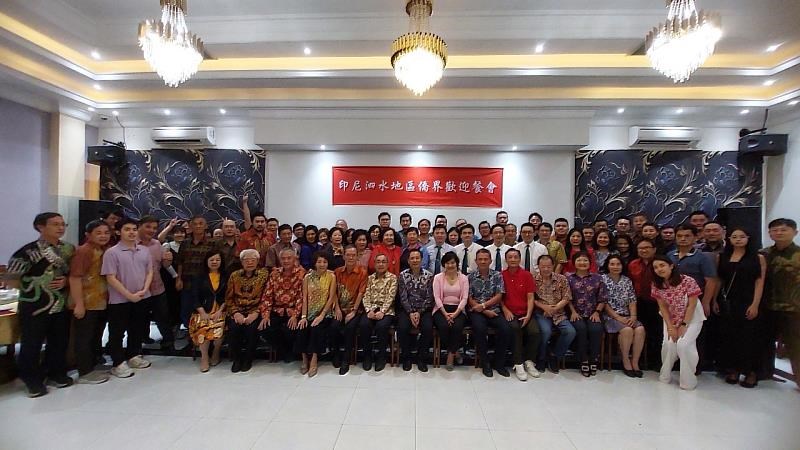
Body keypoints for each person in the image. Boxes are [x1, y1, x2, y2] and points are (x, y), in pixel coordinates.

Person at [6, 213, 75, 397]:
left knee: (59, 341)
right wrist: (37, 285)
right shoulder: (27, 252)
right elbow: (12, 280)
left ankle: (56, 373)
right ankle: (31, 379)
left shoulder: (68, 249)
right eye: (55, 224)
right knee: (32, 343)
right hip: (35, 305)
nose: (60, 228)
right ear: (40, 227)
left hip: (60, 303)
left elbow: (74, 274)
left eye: (62, 224)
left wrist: (66, 281)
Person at [102, 218, 154, 379]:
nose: (131, 232)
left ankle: (133, 355)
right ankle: (118, 362)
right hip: (120, 299)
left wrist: (144, 289)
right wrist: (129, 295)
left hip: (142, 296)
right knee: (117, 332)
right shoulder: (111, 252)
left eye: (133, 229)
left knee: (137, 328)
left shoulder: (144, 250)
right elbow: (110, 277)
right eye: (127, 229)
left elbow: (150, 272)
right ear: (118, 232)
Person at [716, 227, 766, 388]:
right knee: (730, 336)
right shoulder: (722, 256)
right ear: (729, 239)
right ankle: (734, 369)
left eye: (742, 236)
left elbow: (760, 282)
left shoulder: (758, 258)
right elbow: (719, 280)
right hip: (728, 301)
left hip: (748, 301)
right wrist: (713, 301)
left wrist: (755, 304)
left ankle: (751, 372)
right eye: (734, 237)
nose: (738, 239)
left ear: (748, 238)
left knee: (749, 337)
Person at [651, 255, 706, 390]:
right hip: (671, 318)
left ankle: (688, 380)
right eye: (656, 267)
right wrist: (670, 327)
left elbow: (692, 305)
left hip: (692, 318)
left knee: (683, 345)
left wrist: (683, 325)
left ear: (671, 266)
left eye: (662, 265)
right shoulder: (656, 284)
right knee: (668, 344)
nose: (659, 269)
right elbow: (662, 307)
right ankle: (665, 375)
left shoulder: (687, 280)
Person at [668, 224, 718, 372]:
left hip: (695, 302)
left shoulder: (702, 257)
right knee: (675, 333)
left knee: (694, 336)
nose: (683, 239)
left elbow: (711, 280)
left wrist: (706, 302)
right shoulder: (670, 256)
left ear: (695, 237)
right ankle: (676, 364)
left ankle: (695, 367)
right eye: (680, 236)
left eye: (687, 236)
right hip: (673, 302)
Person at [68, 219, 111, 385]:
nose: (103, 236)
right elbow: (75, 277)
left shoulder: (103, 250)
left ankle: (93, 364)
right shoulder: (84, 251)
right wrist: (79, 303)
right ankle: (84, 371)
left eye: (106, 233)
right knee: (83, 337)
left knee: (95, 334)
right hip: (86, 301)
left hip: (101, 300)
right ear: (88, 235)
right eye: (98, 233)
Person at [762, 218, 800, 387]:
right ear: (769, 233)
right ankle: (763, 373)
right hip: (766, 306)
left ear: (795, 232)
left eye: (783, 230)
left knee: (795, 345)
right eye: (775, 230)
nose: (779, 233)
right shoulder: (763, 254)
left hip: (793, 308)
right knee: (763, 342)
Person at [468, 249, 511, 377]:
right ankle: (485, 362)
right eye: (480, 259)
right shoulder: (470, 276)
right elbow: (469, 298)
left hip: (494, 310)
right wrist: (484, 310)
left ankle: (499, 363)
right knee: (480, 329)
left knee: (506, 329)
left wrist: (485, 306)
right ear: (476, 261)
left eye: (485, 259)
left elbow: (499, 295)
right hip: (476, 311)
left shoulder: (497, 275)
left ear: (490, 261)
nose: (483, 261)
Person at [602, 255, 645, 378]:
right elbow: (603, 302)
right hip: (610, 316)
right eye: (612, 264)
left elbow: (632, 300)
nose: (615, 267)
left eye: (618, 264)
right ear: (607, 266)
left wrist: (633, 316)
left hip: (627, 315)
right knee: (627, 330)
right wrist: (617, 317)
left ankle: (635, 362)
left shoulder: (627, 280)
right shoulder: (602, 279)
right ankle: (625, 360)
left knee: (640, 329)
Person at [226, 249, 268, 373]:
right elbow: (228, 298)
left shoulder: (264, 275)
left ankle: (248, 359)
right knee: (234, 328)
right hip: (237, 310)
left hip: (255, 310)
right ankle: (237, 359)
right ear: (241, 261)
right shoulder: (234, 275)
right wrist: (235, 313)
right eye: (246, 260)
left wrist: (256, 313)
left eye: (253, 260)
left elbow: (267, 296)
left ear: (257, 261)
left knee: (252, 329)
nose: (250, 262)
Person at [501, 248, 540, 381]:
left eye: (515, 257)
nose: (513, 260)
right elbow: (499, 297)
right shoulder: (501, 275)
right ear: (506, 260)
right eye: (510, 257)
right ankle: (518, 363)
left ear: (520, 259)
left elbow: (530, 297)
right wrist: (505, 310)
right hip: (509, 312)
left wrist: (529, 315)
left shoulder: (527, 275)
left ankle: (529, 361)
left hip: (526, 312)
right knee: (515, 330)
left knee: (534, 332)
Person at [260, 248, 305, 362]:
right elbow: (267, 295)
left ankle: (292, 352)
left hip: (294, 310)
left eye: (289, 258)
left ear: (294, 259)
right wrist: (265, 315)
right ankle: (283, 351)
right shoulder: (274, 274)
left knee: (291, 330)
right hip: (277, 310)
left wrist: (295, 315)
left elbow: (302, 296)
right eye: (283, 258)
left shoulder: (301, 274)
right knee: (265, 328)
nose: (286, 261)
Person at [567, 251, 607, 377]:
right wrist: (573, 312)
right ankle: (583, 359)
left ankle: (593, 359)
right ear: (574, 263)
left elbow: (603, 298)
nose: (582, 263)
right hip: (575, 313)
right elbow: (567, 298)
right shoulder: (568, 278)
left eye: (585, 260)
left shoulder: (598, 278)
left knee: (596, 330)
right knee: (581, 329)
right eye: (579, 260)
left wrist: (597, 312)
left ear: (590, 263)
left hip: (593, 313)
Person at [295, 252, 336, 377]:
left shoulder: (331, 276)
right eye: (319, 262)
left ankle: (314, 359)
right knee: (302, 328)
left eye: (324, 262)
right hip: (308, 312)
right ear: (314, 263)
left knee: (316, 328)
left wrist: (321, 315)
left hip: (325, 313)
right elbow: (305, 298)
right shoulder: (307, 277)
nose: (322, 264)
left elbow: (331, 297)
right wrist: (303, 317)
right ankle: (304, 359)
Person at [533, 255, 575, 374]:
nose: (546, 269)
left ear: (553, 266)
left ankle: (554, 356)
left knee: (570, 332)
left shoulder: (561, 278)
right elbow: (532, 299)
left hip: (559, 312)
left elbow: (567, 297)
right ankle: (541, 358)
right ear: (539, 267)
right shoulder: (533, 279)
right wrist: (545, 307)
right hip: (541, 313)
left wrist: (555, 308)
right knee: (546, 332)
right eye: (543, 267)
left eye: (548, 266)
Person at [137, 216, 174, 351]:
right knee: (140, 317)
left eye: (154, 228)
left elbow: (163, 264)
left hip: (158, 288)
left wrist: (168, 260)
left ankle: (168, 341)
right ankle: (142, 339)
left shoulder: (156, 244)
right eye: (148, 227)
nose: (151, 230)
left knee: (163, 316)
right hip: (139, 290)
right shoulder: (132, 244)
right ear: (139, 225)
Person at [330, 245, 367, 375]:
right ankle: (335, 354)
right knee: (333, 327)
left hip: (355, 309)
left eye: (353, 255)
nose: (351, 257)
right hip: (339, 308)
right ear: (344, 256)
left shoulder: (362, 272)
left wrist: (353, 311)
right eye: (348, 255)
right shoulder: (337, 271)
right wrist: (337, 309)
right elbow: (333, 291)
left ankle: (346, 359)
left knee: (350, 328)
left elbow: (361, 293)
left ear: (357, 256)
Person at [188, 251, 227, 372]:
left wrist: (220, 310)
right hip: (202, 310)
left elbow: (228, 296)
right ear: (206, 261)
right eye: (212, 260)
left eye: (217, 260)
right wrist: (202, 312)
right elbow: (194, 296)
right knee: (203, 327)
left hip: (221, 310)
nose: (215, 262)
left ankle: (216, 353)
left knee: (219, 326)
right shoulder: (198, 276)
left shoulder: (226, 275)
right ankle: (204, 357)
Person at [397, 249, 435, 372]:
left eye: (417, 258)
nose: (415, 260)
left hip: (424, 310)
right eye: (412, 258)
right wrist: (411, 312)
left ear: (421, 260)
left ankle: (421, 358)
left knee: (428, 328)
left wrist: (419, 312)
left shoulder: (429, 276)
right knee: (402, 327)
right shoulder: (402, 275)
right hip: (407, 309)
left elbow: (430, 297)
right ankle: (406, 357)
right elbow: (403, 297)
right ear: (408, 261)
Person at [359, 253, 397, 371]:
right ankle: (367, 356)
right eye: (378, 262)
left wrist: (382, 311)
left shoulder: (392, 278)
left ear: (387, 264)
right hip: (371, 309)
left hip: (386, 310)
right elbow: (365, 295)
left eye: (383, 262)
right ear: (374, 264)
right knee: (364, 325)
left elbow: (391, 296)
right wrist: (368, 310)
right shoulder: (369, 278)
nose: (380, 264)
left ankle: (381, 356)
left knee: (382, 326)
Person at [176, 216, 215, 328]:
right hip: (187, 282)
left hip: (205, 283)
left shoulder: (212, 243)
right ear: (191, 226)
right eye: (195, 224)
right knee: (187, 310)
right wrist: (178, 279)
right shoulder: (185, 243)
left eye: (201, 223)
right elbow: (180, 262)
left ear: (206, 226)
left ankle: (203, 336)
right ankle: (190, 335)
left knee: (204, 309)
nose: (198, 226)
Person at [433, 251, 469, 371]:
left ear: (457, 263)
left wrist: (455, 314)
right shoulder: (438, 278)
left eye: (453, 262)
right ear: (444, 264)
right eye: (447, 263)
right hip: (441, 308)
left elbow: (464, 298)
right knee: (443, 326)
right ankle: (455, 353)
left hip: (458, 309)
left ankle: (450, 355)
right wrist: (445, 314)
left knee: (457, 327)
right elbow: (437, 297)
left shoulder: (464, 278)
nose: (450, 265)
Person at [628, 238, 660, 369]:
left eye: (647, 247)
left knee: (658, 333)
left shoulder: (660, 263)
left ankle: (657, 361)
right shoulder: (633, 264)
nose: (644, 250)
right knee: (641, 331)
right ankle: (639, 360)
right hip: (639, 302)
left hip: (658, 302)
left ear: (654, 249)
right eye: (641, 248)